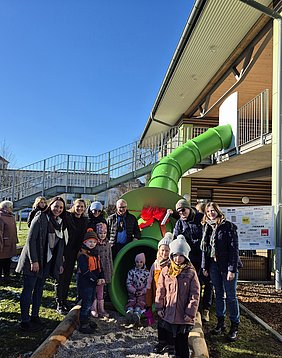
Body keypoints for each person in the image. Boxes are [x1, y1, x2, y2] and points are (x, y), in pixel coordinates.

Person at [16, 196, 68, 332]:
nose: (58, 209)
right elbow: (31, 240)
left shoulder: (59, 222)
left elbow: (59, 245)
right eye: (56, 206)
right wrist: (34, 261)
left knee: (39, 290)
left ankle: (35, 316)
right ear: (50, 206)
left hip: (46, 262)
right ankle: (24, 320)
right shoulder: (41, 217)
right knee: (28, 290)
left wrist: (59, 261)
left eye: (61, 207)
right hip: (33, 261)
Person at [201, 201, 241, 341]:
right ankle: (220, 323)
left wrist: (232, 269)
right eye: (208, 211)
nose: (210, 213)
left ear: (218, 211)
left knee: (231, 296)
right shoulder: (207, 227)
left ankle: (234, 326)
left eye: (213, 210)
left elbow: (234, 250)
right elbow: (204, 251)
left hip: (227, 266)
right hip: (213, 266)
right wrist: (204, 267)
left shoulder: (228, 227)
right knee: (218, 294)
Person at [155, 235, 200, 358]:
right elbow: (161, 290)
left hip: (183, 314)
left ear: (185, 256)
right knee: (170, 337)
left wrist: (190, 313)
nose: (178, 258)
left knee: (182, 341)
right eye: (175, 255)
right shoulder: (166, 270)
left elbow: (194, 294)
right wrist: (159, 307)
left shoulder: (190, 272)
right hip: (169, 312)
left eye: (181, 255)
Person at [173, 198, 213, 323]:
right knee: (193, 283)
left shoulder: (201, 218)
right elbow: (175, 239)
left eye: (183, 210)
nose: (181, 213)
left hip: (203, 256)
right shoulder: (180, 223)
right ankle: (193, 308)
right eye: (179, 211)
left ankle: (206, 308)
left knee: (208, 282)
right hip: (189, 258)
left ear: (189, 208)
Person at [55, 198, 88, 314]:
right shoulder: (68, 217)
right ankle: (59, 302)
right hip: (65, 251)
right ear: (74, 206)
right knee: (61, 276)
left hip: (75, 252)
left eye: (82, 207)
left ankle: (64, 300)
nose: (80, 209)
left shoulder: (84, 220)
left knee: (68, 276)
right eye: (78, 206)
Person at [146, 232, 173, 354]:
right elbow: (150, 282)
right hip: (159, 296)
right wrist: (148, 302)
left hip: (170, 298)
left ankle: (171, 344)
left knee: (170, 321)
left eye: (167, 250)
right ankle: (162, 342)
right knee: (161, 322)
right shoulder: (155, 264)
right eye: (162, 250)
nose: (164, 253)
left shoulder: (173, 264)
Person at [77, 228, 104, 334]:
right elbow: (85, 271)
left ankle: (87, 319)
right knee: (86, 302)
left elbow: (99, 267)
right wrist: (95, 279)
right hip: (86, 282)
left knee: (92, 299)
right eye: (90, 242)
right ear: (85, 242)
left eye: (94, 242)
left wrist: (101, 277)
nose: (92, 244)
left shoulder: (95, 254)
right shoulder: (83, 255)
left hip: (93, 282)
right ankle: (83, 323)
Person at [90, 222, 113, 318]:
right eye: (100, 233)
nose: (102, 235)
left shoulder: (107, 244)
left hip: (105, 270)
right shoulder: (94, 244)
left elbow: (110, 257)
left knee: (101, 291)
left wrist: (111, 270)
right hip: (96, 270)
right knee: (93, 290)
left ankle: (101, 309)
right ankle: (93, 308)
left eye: (104, 233)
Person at [125, 252, 149, 324]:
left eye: (141, 262)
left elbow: (148, 284)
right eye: (137, 262)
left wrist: (143, 291)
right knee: (131, 301)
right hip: (133, 292)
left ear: (144, 263)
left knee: (140, 303)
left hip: (142, 293)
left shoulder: (146, 273)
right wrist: (133, 291)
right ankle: (129, 312)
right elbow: (129, 283)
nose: (139, 264)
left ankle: (137, 314)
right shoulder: (132, 272)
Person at [0, 200, 18, 283]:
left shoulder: (11, 217)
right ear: (5, 208)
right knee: (1, 261)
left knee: (7, 261)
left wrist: (15, 240)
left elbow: (14, 231)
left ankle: (7, 276)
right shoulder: (1, 217)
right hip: (3, 244)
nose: (12, 208)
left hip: (10, 243)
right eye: (10, 207)